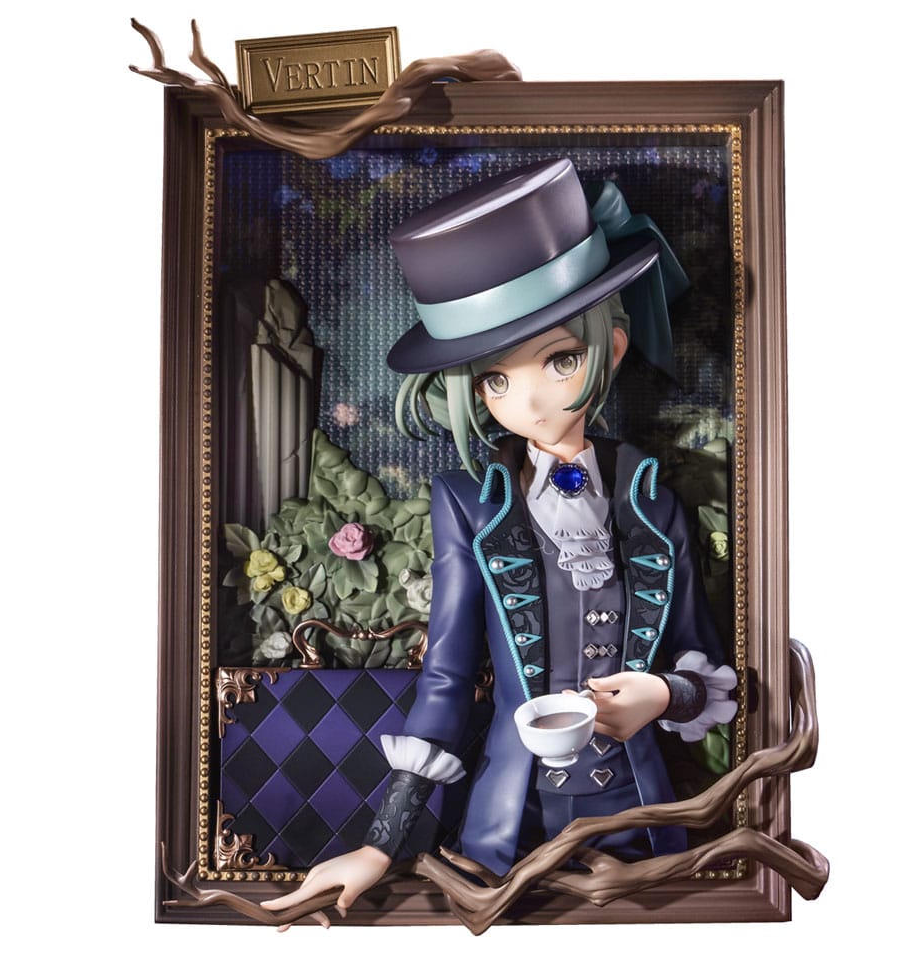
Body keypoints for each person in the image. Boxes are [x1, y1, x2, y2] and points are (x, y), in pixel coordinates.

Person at [263, 157, 737, 921]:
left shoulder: (650, 499)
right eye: (496, 379)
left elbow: (701, 663)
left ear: (611, 349)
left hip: (644, 826)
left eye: (560, 359)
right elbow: (447, 678)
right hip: (509, 828)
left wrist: (663, 694)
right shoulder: (467, 504)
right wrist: (380, 844)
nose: (531, 399)